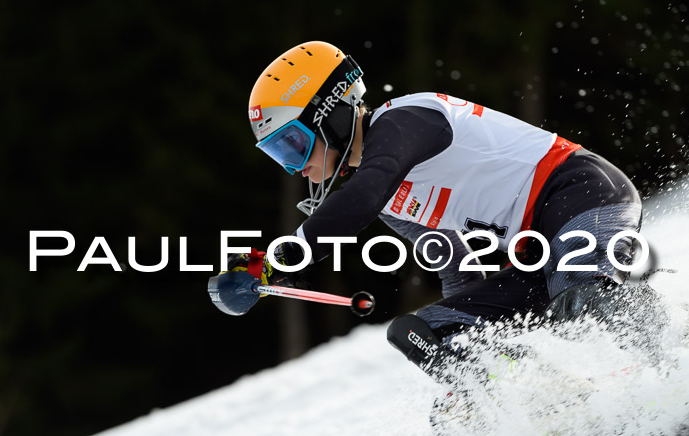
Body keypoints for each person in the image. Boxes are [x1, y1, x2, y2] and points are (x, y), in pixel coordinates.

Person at [217, 40, 644, 382]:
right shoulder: (385, 193)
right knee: (423, 333)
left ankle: (672, 361)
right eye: (278, 155)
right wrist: (472, 355)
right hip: (541, 252)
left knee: (583, 300)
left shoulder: (405, 120)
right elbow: (457, 267)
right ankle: (545, 404)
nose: (296, 166)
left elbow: (363, 195)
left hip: (583, 194)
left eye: (293, 144)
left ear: (331, 115)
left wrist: (276, 263)